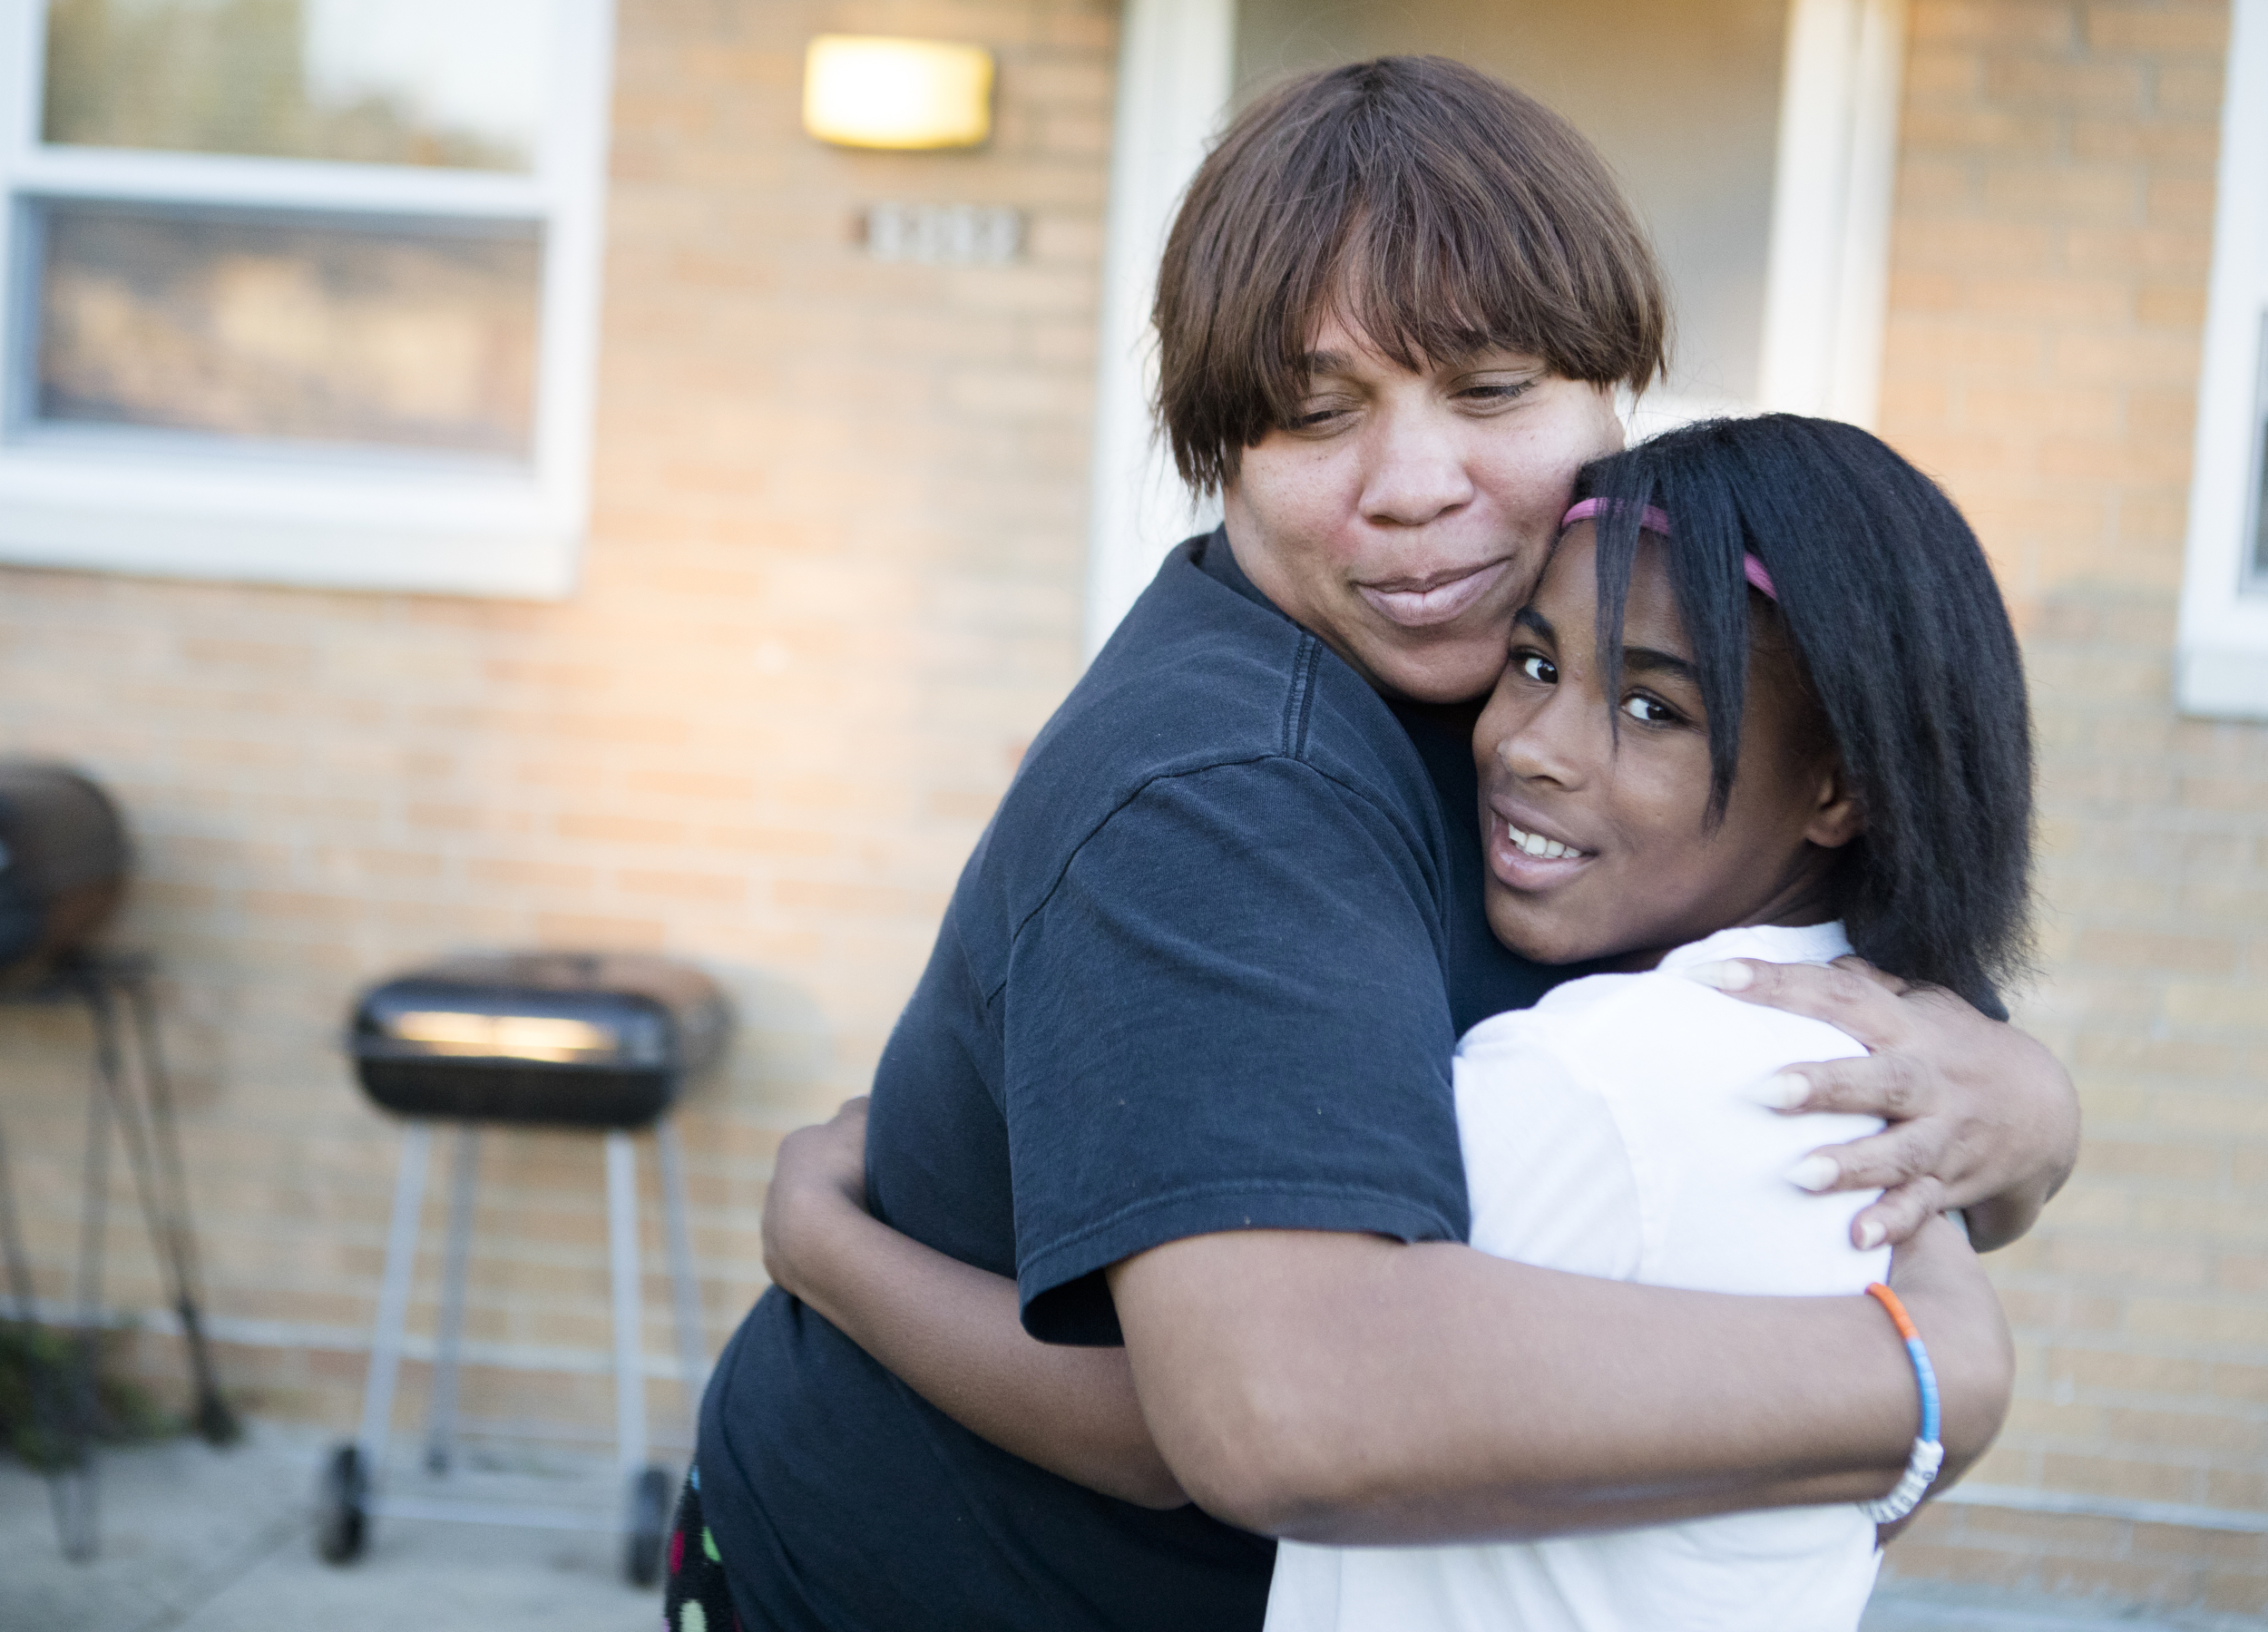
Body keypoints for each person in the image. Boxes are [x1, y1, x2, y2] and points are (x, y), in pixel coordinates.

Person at [678, 58, 2077, 1632]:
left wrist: (2024, 1107)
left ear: (1614, 399)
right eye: (1314, 414)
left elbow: (1908, 1091)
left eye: (1491, 393)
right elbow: (1263, 1412)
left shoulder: (1582, 664)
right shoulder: (1220, 791)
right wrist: (1926, 1374)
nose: (1417, 491)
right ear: (1224, 455)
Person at [1258, 412, 2034, 1630]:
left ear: (1841, 788)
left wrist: (843, 1250)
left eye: (1654, 710)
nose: (1532, 749)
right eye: (1533, 662)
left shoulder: (1592, 1081)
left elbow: (1244, 1411)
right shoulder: (1871, 1054)